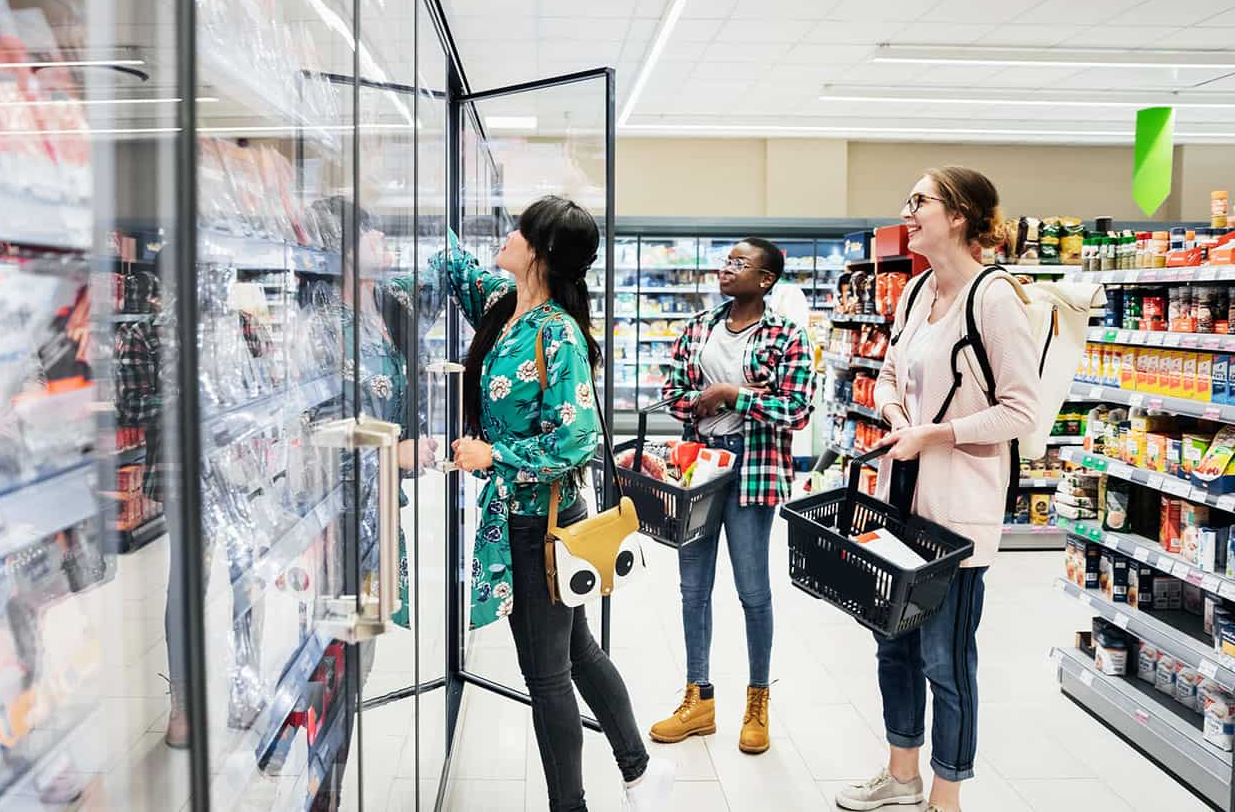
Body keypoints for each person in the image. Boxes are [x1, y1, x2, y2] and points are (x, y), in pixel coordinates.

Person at [442, 196, 674, 812]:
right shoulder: (502, 303)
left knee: (548, 677)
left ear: (539, 252)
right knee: (577, 652)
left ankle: (571, 804)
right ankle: (639, 770)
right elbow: (455, 266)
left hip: (537, 523)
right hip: (532, 518)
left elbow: (575, 440)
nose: (506, 236)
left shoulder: (558, 333)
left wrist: (496, 456)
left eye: (518, 230)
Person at [835, 167, 1040, 812]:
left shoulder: (995, 297)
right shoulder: (918, 290)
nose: (908, 210)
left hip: (956, 509)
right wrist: (898, 419)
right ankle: (901, 775)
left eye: (919, 201)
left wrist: (937, 434)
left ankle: (946, 796)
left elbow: (1022, 413)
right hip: (899, 502)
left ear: (957, 216)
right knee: (892, 645)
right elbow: (891, 372)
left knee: (946, 663)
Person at [652, 238, 812, 755]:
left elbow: (797, 408)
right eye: (726, 260)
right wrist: (697, 406)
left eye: (740, 263)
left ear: (766, 280)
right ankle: (698, 699)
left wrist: (730, 395)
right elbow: (674, 393)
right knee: (692, 588)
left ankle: (757, 701)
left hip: (755, 467)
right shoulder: (697, 327)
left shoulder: (787, 335)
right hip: (699, 465)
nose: (727, 268)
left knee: (752, 590)